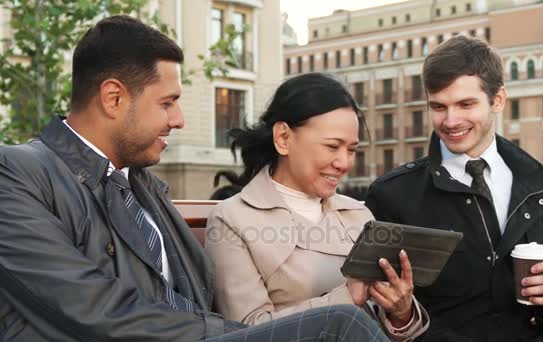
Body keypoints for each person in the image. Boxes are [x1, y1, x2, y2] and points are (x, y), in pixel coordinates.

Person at [0, 16, 393, 342]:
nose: (179, 119)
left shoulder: (143, 187)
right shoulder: (17, 173)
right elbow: (89, 308)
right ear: (113, 98)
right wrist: (225, 333)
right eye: (167, 103)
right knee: (341, 324)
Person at [365, 36, 543, 342]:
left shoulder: (538, 184)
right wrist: (401, 315)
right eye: (439, 106)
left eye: (465, 104)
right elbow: (373, 307)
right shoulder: (392, 194)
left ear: (498, 100)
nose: (451, 121)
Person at [205, 73, 429, 342]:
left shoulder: (358, 214)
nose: (344, 163)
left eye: (351, 150)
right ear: (284, 138)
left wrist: (401, 312)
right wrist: (346, 297)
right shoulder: (232, 220)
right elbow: (249, 333)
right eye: (332, 146)